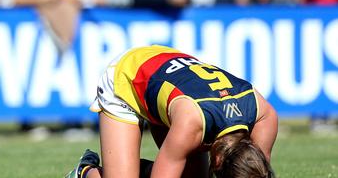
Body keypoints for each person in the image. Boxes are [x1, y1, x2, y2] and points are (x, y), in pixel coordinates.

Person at [66, 45, 278, 178]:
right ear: (219, 162)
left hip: (170, 72)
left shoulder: (265, 116)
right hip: (128, 76)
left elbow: (256, 171)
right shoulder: (192, 124)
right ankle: (84, 172)